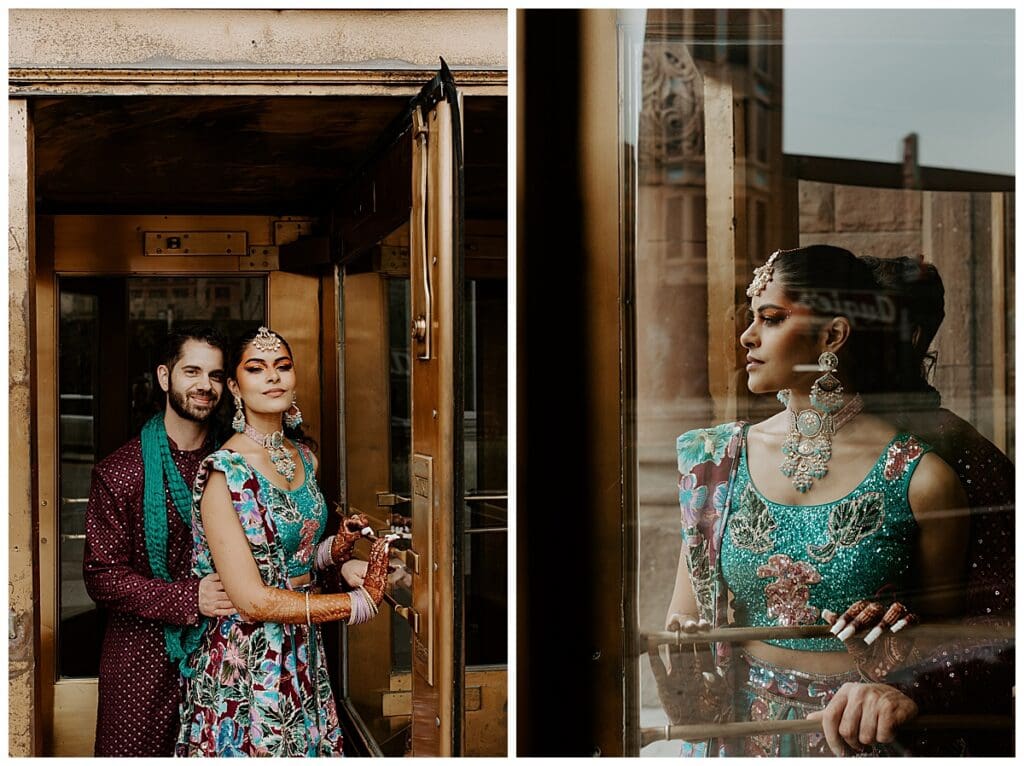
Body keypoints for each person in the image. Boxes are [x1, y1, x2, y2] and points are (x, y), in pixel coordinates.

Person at [654, 245, 974, 757]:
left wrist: (896, 688)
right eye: (751, 319)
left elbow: (946, 653)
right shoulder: (716, 459)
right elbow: (686, 624)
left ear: (832, 336)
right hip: (739, 736)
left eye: (771, 319)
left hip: (857, 736)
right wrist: (687, 672)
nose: (748, 336)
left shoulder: (921, 479)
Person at [175, 326, 392, 757]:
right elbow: (252, 599)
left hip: (302, 650)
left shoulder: (303, 456)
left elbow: (294, 557)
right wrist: (355, 604)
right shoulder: (224, 473)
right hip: (248, 658)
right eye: (256, 369)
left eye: (282, 366)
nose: (272, 377)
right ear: (235, 387)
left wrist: (339, 551)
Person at [84, 327, 235, 757]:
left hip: (226, 653)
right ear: (165, 377)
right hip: (141, 660)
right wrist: (190, 598)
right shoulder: (122, 472)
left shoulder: (239, 464)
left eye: (216, 375)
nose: (205, 385)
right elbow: (101, 577)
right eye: (193, 371)